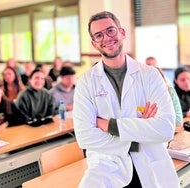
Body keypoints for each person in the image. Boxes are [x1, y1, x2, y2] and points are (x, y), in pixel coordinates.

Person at [73, 11, 179, 188]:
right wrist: (140, 133)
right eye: (98, 35)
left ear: (122, 32)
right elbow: (84, 137)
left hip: (150, 164)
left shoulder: (150, 75)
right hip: (106, 168)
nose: (106, 38)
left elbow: (165, 129)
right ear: (94, 43)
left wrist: (110, 126)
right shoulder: (86, 82)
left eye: (110, 31)